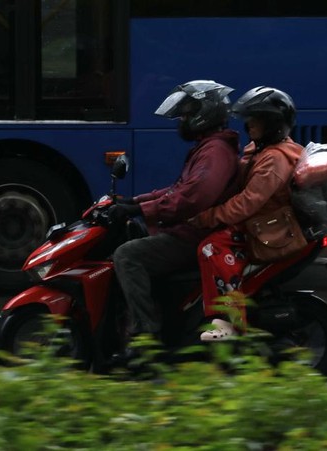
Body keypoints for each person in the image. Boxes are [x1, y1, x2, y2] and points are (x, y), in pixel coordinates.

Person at [108, 80, 240, 357]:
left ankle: (146, 336)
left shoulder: (214, 152)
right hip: (188, 230)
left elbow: (193, 198)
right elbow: (177, 190)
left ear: (205, 113)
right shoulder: (208, 148)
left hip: (193, 235)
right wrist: (134, 202)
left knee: (127, 256)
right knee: (132, 234)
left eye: (188, 114)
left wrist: (141, 210)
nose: (182, 120)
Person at [189, 86, 304, 341]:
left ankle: (230, 325)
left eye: (257, 119)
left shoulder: (275, 159)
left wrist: (208, 216)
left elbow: (247, 203)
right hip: (256, 223)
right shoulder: (261, 150)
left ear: (273, 124)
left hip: (266, 228)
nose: (249, 124)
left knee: (212, 248)